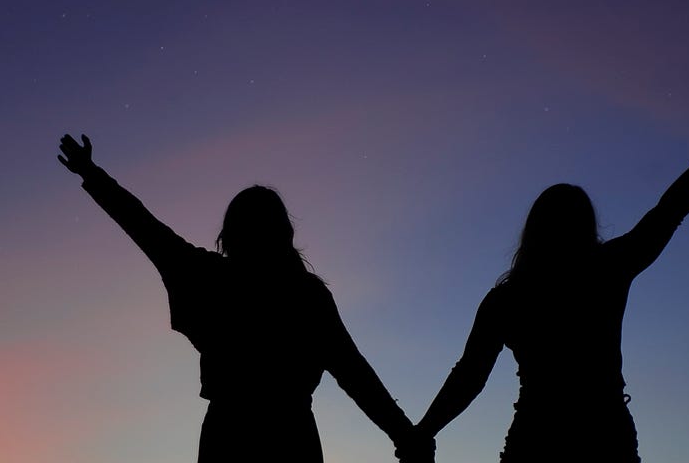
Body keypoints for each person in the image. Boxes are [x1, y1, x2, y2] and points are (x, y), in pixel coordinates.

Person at [57, 134, 433, 462]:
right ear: (284, 233)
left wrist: (91, 174)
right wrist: (405, 436)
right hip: (290, 437)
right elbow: (355, 374)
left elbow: (144, 226)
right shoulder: (305, 295)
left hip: (231, 436)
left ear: (230, 233)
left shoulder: (214, 277)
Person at [410, 126, 689, 462]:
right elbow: (668, 212)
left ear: (533, 230)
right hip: (602, 435)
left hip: (540, 438)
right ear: (587, 226)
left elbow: (469, 377)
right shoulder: (607, 269)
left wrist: (424, 431)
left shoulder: (509, 298)